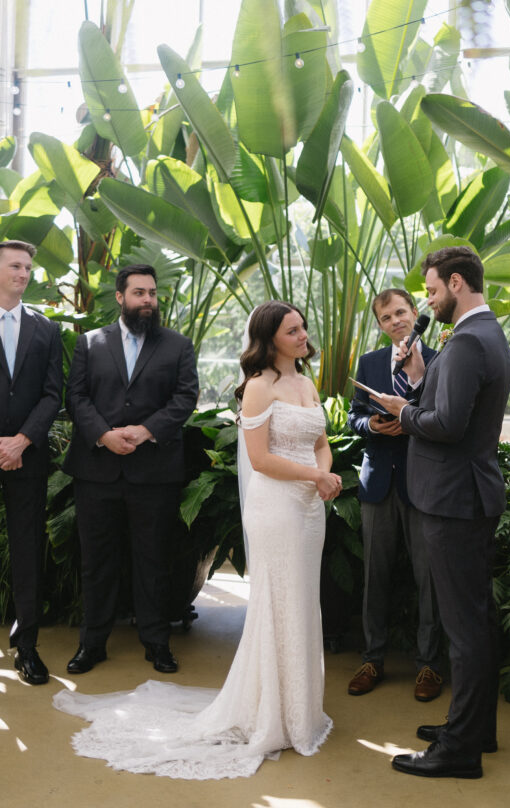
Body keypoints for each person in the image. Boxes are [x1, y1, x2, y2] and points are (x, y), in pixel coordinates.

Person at [53, 300, 341, 780]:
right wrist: (314, 477)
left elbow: (320, 442)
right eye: (293, 330)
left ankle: (301, 708)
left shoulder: (307, 383)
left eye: (303, 327)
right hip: (278, 507)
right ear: (271, 340)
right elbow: (261, 459)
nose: (303, 335)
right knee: (279, 602)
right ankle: (271, 712)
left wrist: (324, 477)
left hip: (311, 508)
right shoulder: (258, 388)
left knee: (302, 601)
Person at [375, 246, 510, 780]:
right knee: (474, 619)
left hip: (454, 500)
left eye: (431, 290)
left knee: (464, 627)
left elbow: (448, 425)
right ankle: (475, 726)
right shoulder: (485, 335)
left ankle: (460, 749)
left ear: (456, 283)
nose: (427, 300)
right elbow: (454, 410)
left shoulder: (467, 343)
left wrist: (404, 412)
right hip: (466, 497)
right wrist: (414, 391)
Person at [62, 263, 199, 675]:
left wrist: (144, 431)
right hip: (97, 470)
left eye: (153, 293)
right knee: (96, 561)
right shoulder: (90, 342)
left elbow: (185, 397)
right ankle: (93, 644)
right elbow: (76, 397)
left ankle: (157, 643)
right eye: (139, 293)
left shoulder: (178, 345)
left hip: (155, 473)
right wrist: (104, 435)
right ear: (120, 297)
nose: (148, 301)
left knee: (153, 560)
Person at [347, 288, 441, 701]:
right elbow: (354, 416)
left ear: (415, 313)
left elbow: (445, 418)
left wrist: (412, 420)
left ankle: (429, 667)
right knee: (375, 577)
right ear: (381, 324)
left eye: (401, 312)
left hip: (424, 485)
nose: (395, 321)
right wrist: (373, 426)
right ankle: (372, 659)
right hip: (378, 481)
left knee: (429, 579)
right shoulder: (368, 363)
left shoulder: (439, 361)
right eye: (386, 317)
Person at [0, 240, 62, 685]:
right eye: (14, 266)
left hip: (28, 455)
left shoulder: (46, 329)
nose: (23, 274)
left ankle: (28, 647)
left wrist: (21, 441)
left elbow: (51, 394)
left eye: (27, 267)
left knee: (26, 552)